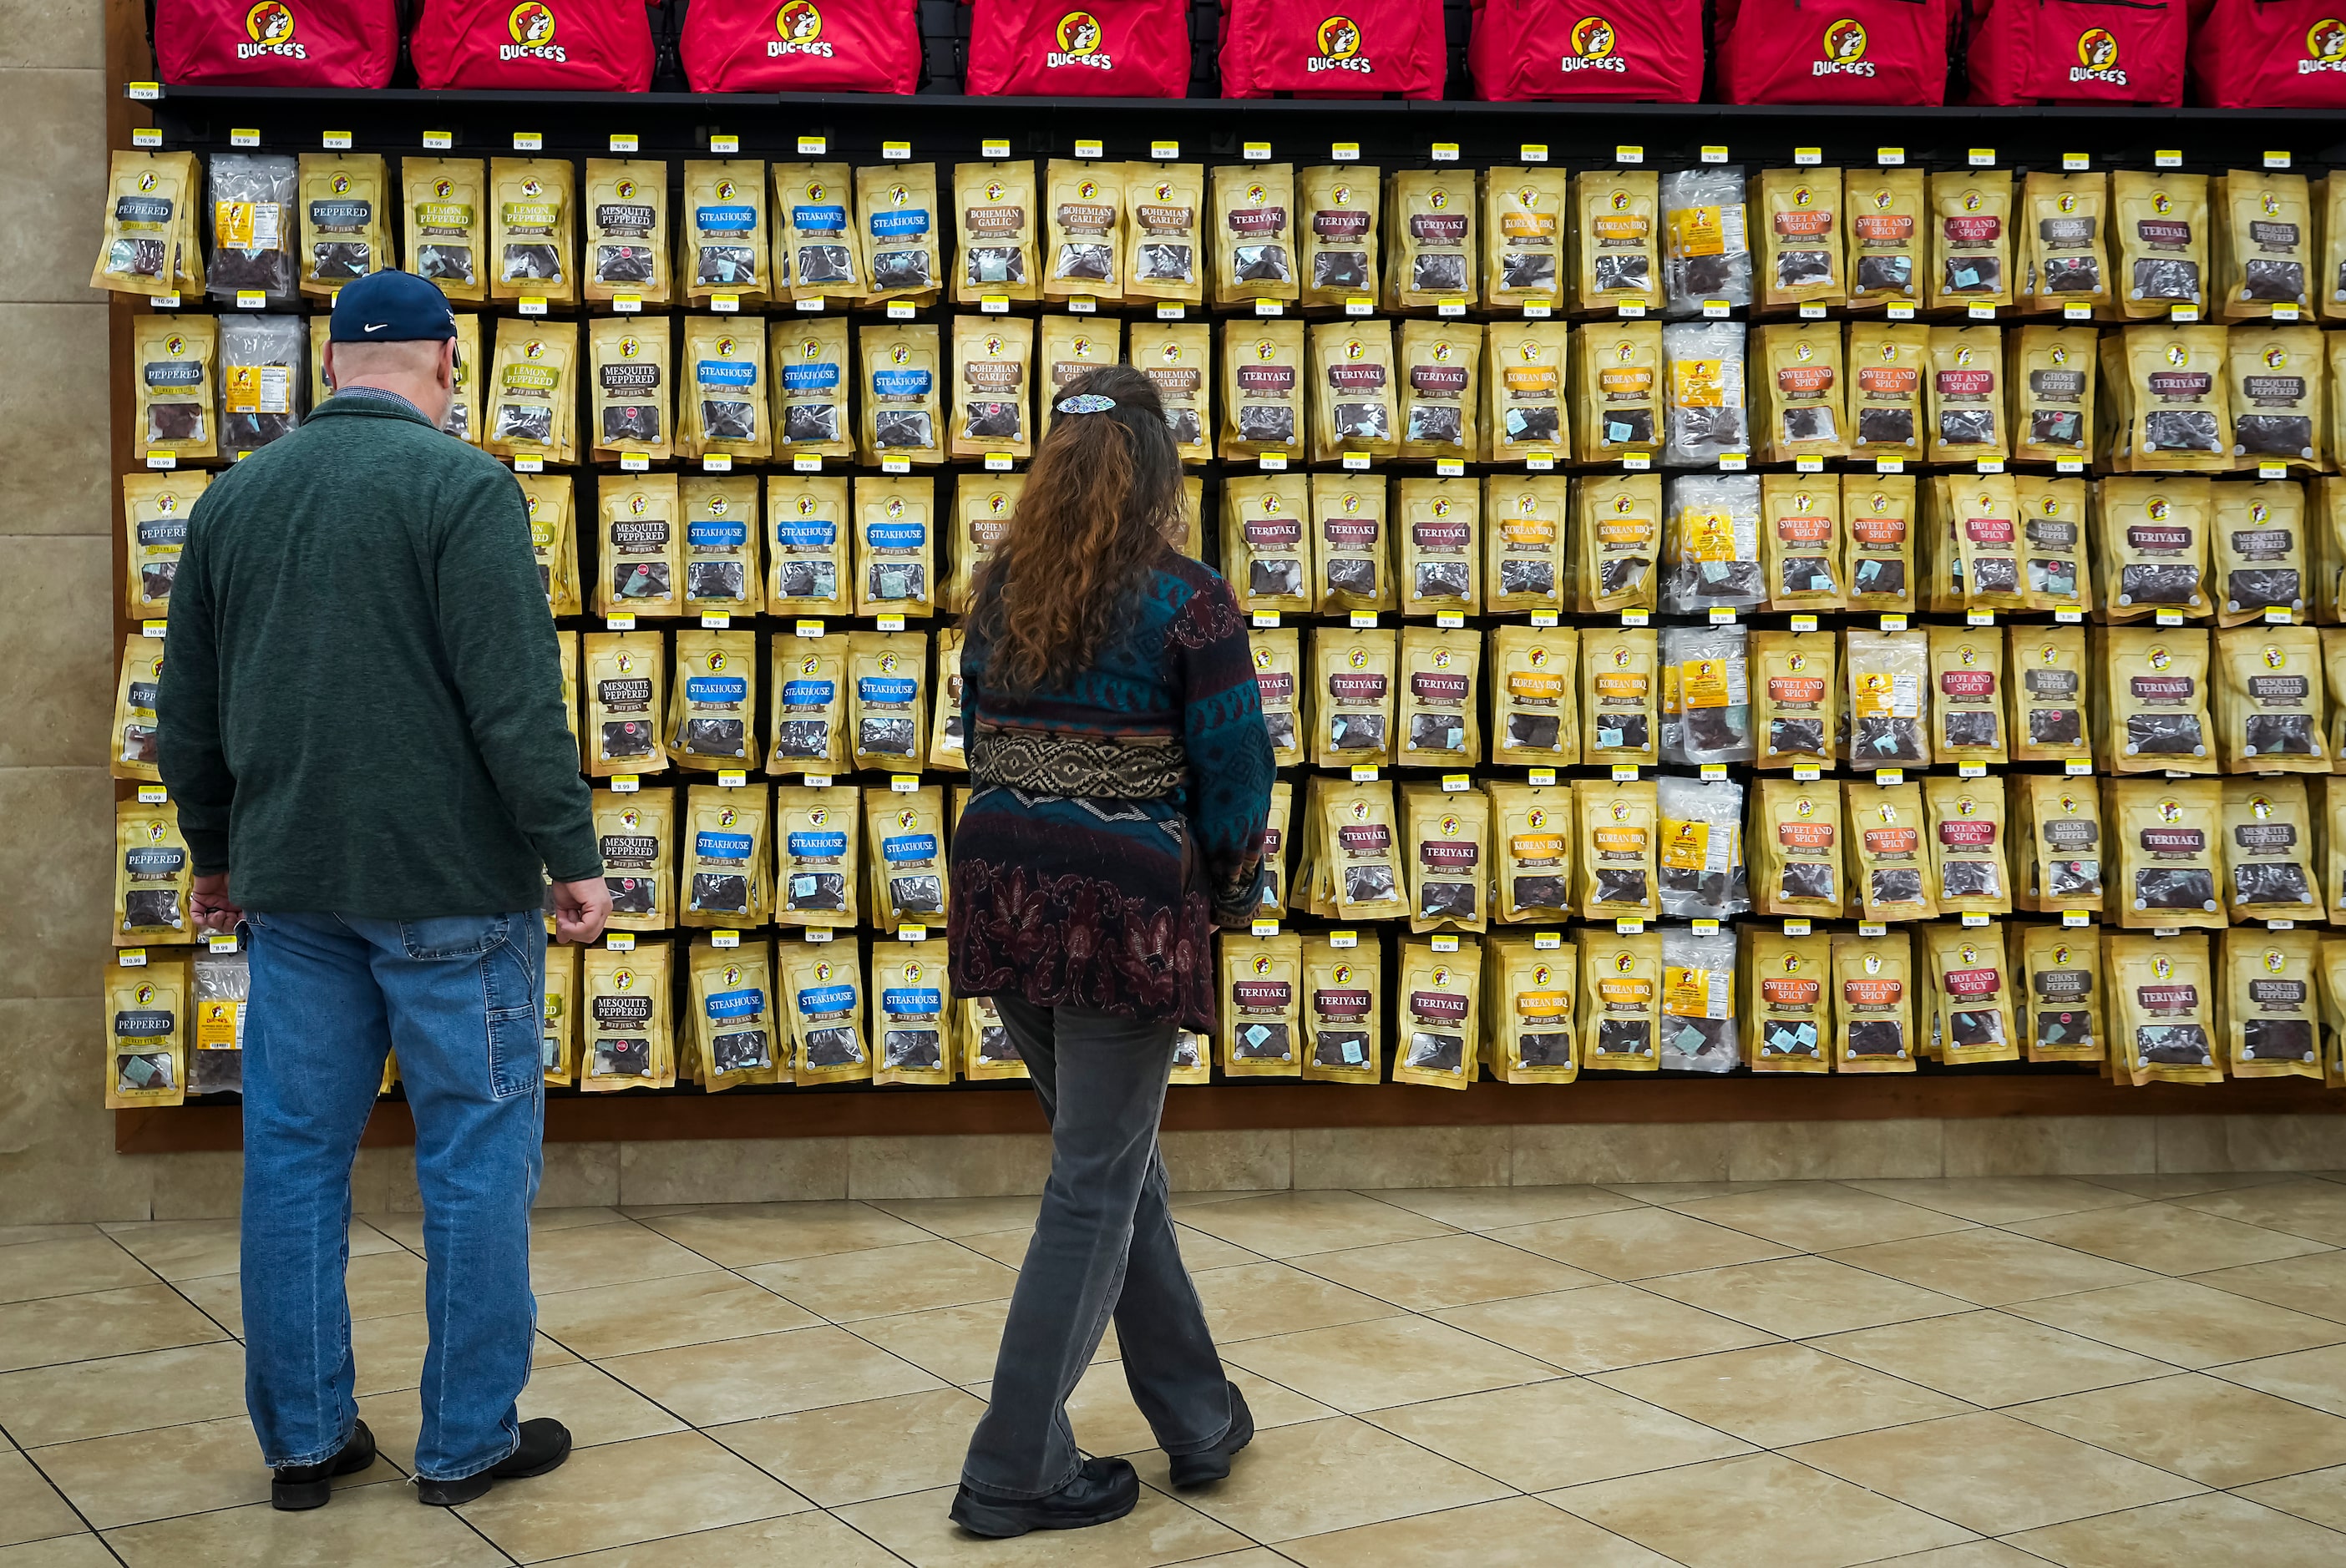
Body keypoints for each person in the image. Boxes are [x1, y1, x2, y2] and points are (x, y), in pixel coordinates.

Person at [157, 271, 610, 1510]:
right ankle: (466, 1441)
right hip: (452, 886)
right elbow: (514, 703)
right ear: (446, 366)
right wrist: (570, 855)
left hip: (292, 887)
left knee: (293, 1161)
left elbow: (184, 715)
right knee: (471, 1155)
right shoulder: (465, 488)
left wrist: (212, 851)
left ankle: (305, 1443)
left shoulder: (234, 499)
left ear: (334, 366)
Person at [945, 365, 1276, 1537]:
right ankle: (1012, 1465)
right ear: (1157, 467)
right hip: (1121, 912)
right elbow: (1237, 777)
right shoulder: (1191, 603)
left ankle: (1197, 1415)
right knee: (1094, 1179)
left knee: (1115, 1162)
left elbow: (972, 729)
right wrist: (1232, 891)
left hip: (1000, 889)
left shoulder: (1002, 588)